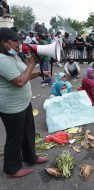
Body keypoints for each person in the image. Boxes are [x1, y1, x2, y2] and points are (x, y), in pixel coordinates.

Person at [0, 27, 49, 177]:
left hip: (23, 103)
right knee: (15, 137)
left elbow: (24, 75)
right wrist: (30, 64)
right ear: (3, 42)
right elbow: (20, 82)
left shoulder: (12, 56)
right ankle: (12, 168)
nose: (18, 43)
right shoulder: (1, 59)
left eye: (18, 40)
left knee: (28, 132)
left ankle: (30, 157)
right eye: (14, 40)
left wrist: (39, 73)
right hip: (11, 107)